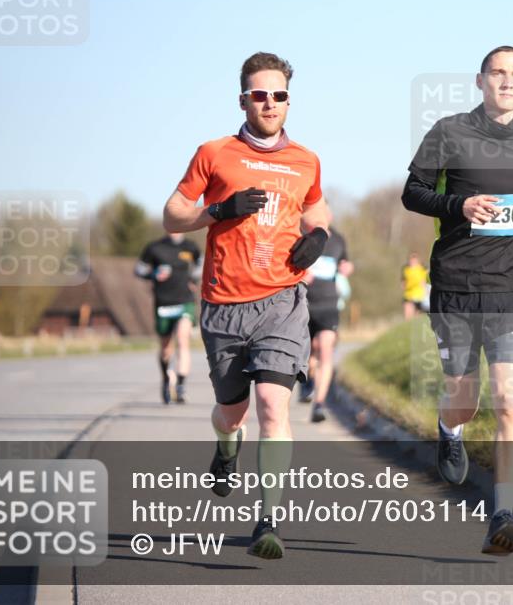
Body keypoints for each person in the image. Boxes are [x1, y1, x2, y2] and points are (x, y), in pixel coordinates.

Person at [162, 52, 330, 560]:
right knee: (231, 412)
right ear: (243, 99)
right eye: (260, 94)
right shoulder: (213, 153)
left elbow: (319, 210)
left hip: (283, 299)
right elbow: (172, 215)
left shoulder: (306, 159)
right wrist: (215, 211)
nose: (270, 103)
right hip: (223, 305)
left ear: (288, 100)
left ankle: (268, 520)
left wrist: (318, 236)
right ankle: (225, 445)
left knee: (273, 406)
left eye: (279, 95)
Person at [401, 46, 513, 555]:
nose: (506, 82)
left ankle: (503, 515)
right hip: (456, 285)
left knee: (510, 398)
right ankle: (449, 428)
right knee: (464, 397)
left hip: (511, 288)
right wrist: (459, 205)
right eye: (498, 73)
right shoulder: (449, 131)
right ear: (480, 80)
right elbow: (412, 192)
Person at [299, 203, 353, 423]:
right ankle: (308, 382)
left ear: (329, 215)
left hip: (329, 304)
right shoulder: (302, 236)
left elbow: (345, 263)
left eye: (324, 212)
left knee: (326, 351)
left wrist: (347, 268)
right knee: (309, 352)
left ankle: (319, 404)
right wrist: (301, 273)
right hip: (304, 304)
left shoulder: (338, 240)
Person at [134, 233, 202, 404]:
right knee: (165, 349)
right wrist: (153, 274)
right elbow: (139, 269)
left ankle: (180, 386)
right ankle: (166, 379)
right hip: (163, 304)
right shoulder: (154, 247)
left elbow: (202, 265)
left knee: (182, 339)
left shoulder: (190, 246)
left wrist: (194, 278)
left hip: (185, 301)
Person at [401, 253, 428, 319]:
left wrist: (426, 291)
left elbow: (425, 282)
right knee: (408, 316)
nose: (412, 261)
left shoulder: (423, 269)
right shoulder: (406, 269)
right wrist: (405, 286)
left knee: (417, 317)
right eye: (411, 259)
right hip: (409, 295)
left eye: (414, 259)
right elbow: (403, 282)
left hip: (420, 296)